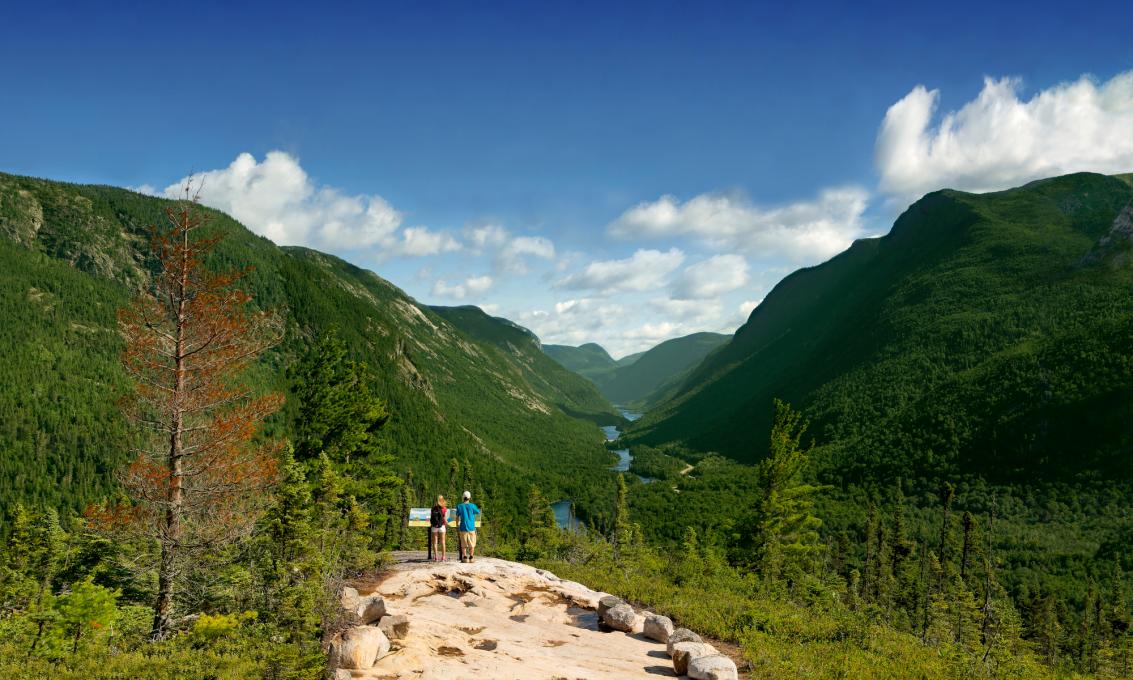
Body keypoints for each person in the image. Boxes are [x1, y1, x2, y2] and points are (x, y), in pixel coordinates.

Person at [455, 490, 481, 563]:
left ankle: (465, 557)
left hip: (463, 527)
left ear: (463, 497)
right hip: (471, 527)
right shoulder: (472, 506)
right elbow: (478, 512)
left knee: (463, 544)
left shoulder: (459, 506)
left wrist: (457, 525)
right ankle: (471, 557)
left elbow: (457, 517)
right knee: (472, 543)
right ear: (469, 498)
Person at [429, 495, 448, 562]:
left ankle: (436, 557)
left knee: (435, 542)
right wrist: (447, 523)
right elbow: (445, 519)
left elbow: (431, 517)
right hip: (442, 526)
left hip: (434, 526)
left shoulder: (433, 508)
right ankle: (443, 557)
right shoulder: (444, 508)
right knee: (443, 542)